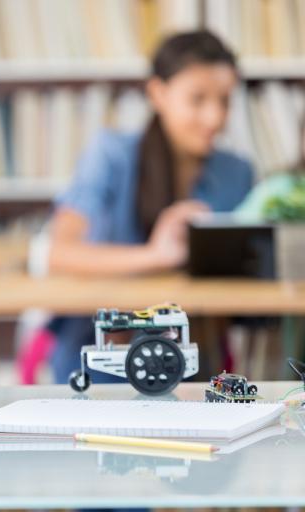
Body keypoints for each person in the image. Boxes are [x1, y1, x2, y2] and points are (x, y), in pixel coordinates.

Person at [46, 31, 255, 384]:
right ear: (157, 93)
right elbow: (60, 254)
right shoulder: (110, 154)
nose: (215, 117)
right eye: (198, 99)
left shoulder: (237, 171)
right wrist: (156, 255)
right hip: (104, 357)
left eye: (225, 101)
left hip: (197, 359)